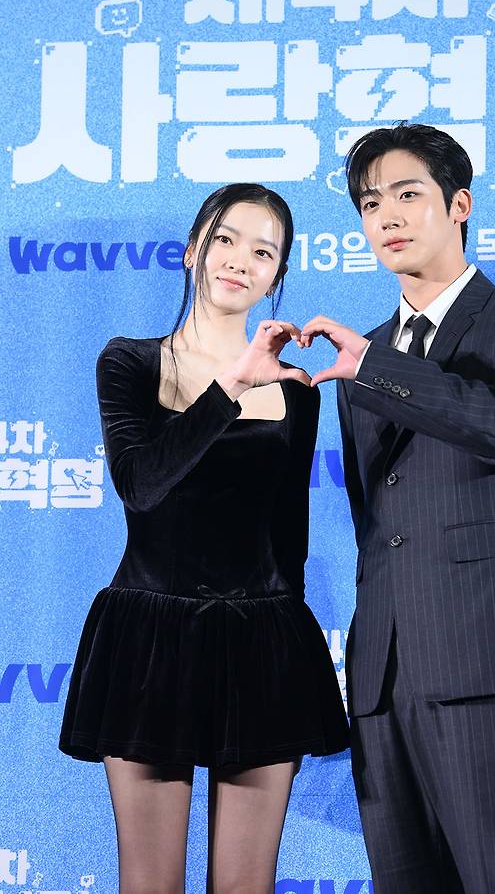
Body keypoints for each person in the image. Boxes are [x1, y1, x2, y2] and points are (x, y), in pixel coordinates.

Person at [300, 123, 495, 894]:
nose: (386, 216)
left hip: (489, 661)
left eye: (407, 194)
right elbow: (375, 518)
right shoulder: (362, 354)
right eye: (370, 203)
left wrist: (377, 369)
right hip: (383, 677)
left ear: (459, 204)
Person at [59, 183, 349, 894]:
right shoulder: (130, 361)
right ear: (194, 251)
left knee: (246, 885)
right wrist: (232, 384)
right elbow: (142, 484)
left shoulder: (297, 389)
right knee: (151, 883)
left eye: (264, 252)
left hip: (261, 641)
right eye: (225, 239)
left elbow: (289, 533)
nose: (240, 260)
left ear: (276, 277)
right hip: (149, 641)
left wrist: (290, 648)